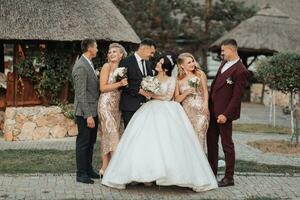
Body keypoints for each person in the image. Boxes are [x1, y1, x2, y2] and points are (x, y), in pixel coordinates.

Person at [101, 55, 218, 192]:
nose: (157, 64)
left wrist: (150, 95)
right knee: (145, 142)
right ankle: (146, 176)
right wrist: (146, 93)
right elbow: (146, 92)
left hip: (167, 109)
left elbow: (169, 97)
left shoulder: (172, 80)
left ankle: (171, 174)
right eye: (158, 62)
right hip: (149, 109)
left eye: (160, 63)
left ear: (165, 68)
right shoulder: (151, 78)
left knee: (167, 142)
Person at [207, 39, 249, 187]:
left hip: (224, 114)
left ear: (231, 50)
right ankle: (211, 173)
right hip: (212, 110)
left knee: (227, 145)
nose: (222, 53)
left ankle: (229, 177)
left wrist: (226, 114)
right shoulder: (224, 63)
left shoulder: (241, 70)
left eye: (223, 50)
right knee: (211, 143)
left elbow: (237, 97)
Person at [97, 43, 128, 177]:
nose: (111, 54)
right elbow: (102, 88)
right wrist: (120, 84)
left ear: (121, 54)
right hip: (105, 104)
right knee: (112, 133)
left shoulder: (124, 69)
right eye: (109, 52)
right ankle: (117, 169)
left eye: (114, 52)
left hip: (117, 106)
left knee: (108, 135)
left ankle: (104, 168)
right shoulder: (106, 66)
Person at [72, 38, 100, 184]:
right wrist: (88, 115)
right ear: (90, 49)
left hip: (93, 110)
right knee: (83, 142)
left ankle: (88, 169)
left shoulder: (88, 63)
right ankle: (81, 173)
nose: (97, 49)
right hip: (84, 112)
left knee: (90, 142)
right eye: (96, 47)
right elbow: (81, 93)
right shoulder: (81, 66)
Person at [175, 53, 209, 151]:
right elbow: (177, 99)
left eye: (192, 61)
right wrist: (186, 93)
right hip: (186, 113)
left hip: (201, 110)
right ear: (182, 65)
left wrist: (206, 104)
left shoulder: (199, 74)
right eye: (189, 62)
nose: (192, 64)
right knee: (189, 139)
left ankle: (201, 163)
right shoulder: (178, 79)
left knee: (200, 135)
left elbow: (205, 91)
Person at [119, 38, 156, 127]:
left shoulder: (148, 63)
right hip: (130, 106)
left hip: (145, 106)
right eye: (151, 52)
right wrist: (138, 90)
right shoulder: (126, 61)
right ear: (143, 49)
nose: (152, 55)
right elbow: (122, 84)